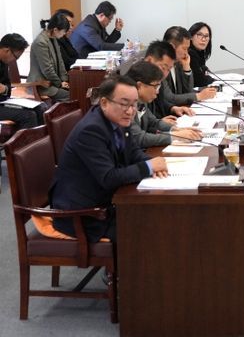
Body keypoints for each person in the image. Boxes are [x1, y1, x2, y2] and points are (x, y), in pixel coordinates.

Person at [50, 75, 168, 242]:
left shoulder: (117, 119)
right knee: (154, 227)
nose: (130, 111)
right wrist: (148, 167)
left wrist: (153, 163)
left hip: (106, 201)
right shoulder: (91, 130)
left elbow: (133, 152)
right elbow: (109, 177)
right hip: (84, 214)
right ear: (104, 103)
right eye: (124, 104)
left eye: (134, 104)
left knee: (162, 214)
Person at [125, 61, 202, 148]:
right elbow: (140, 138)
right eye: (155, 87)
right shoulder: (125, 106)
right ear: (139, 86)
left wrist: (176, 129)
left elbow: (154, 122)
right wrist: (175, 136)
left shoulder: (141, 101)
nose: (157, 92)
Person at [161, 26, 216, 106]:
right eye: (184, 48)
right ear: (171, 47)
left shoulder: (178, 62)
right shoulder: (160, 66)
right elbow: (169, 98)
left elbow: (188, 92)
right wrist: (199, 96)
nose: (186, 53)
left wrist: (186, 68)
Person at [141, 40, 194, 122]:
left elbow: (160, 102)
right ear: (149, 60)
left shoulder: (158, 78)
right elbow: (139, 126)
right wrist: (159, 123)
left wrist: (173, 108)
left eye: (168, 69)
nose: (165, 74)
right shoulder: (136, 82)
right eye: (163, 68)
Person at [0, 33, 40, 129]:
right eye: (16, 57)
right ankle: (27, 140)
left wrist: (4, 89)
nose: (15, 60)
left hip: (3, 101)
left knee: (40, 108)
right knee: (28, 116)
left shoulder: (4, 61)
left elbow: (7, 86)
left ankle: (42, 138)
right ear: (7, 50)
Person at [28, 12, 71, 102]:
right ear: (55, 30)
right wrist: (60, 84)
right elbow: (47, 69)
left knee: (76, 90)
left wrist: (65, 80)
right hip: (42, 85)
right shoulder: (40, 42)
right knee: (72, 95)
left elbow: (60, 61)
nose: (64, 34)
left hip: (53, 82)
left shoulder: (53, 38)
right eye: (63, 32)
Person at [189, 21, 215, 87]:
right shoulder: (190, 53)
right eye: (199, 35)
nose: (203, 39)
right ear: (191, 36)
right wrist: (210, 78)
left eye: (206, 36)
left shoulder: (200, 52)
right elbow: (200, 81)